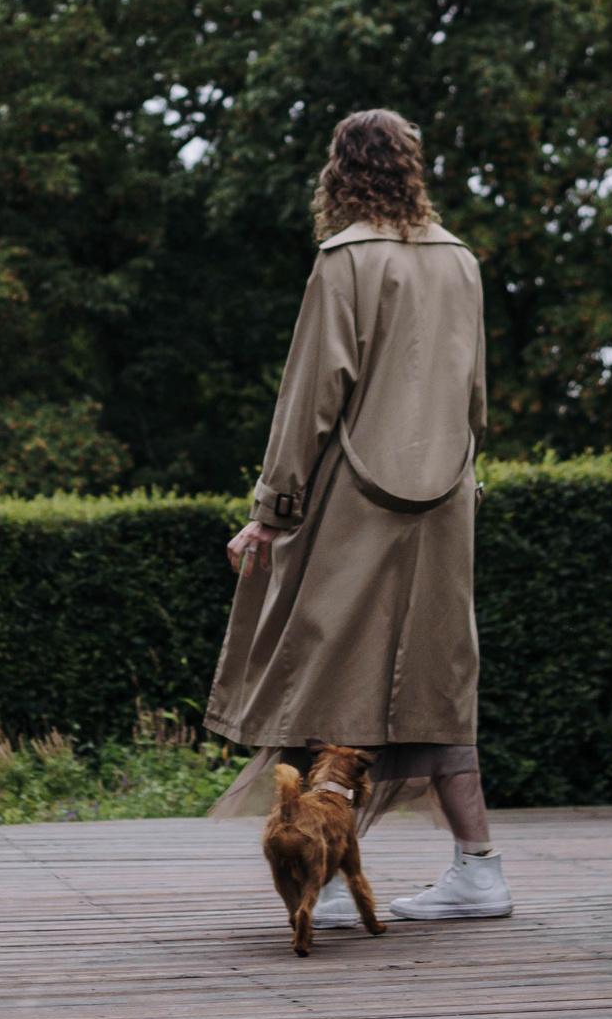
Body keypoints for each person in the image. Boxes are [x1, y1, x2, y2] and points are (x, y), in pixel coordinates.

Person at [203, 108, 510, 924]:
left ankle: (326, 879)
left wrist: (270, 510)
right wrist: (460, 481)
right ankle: (480, 869)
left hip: (353, 500)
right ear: (414, 167)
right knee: (438, 681)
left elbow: (311, 398)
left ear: (339, 172)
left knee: (325, 672)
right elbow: (476, 398)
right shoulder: (461, 263)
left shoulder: (342, 261)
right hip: (447, 503)